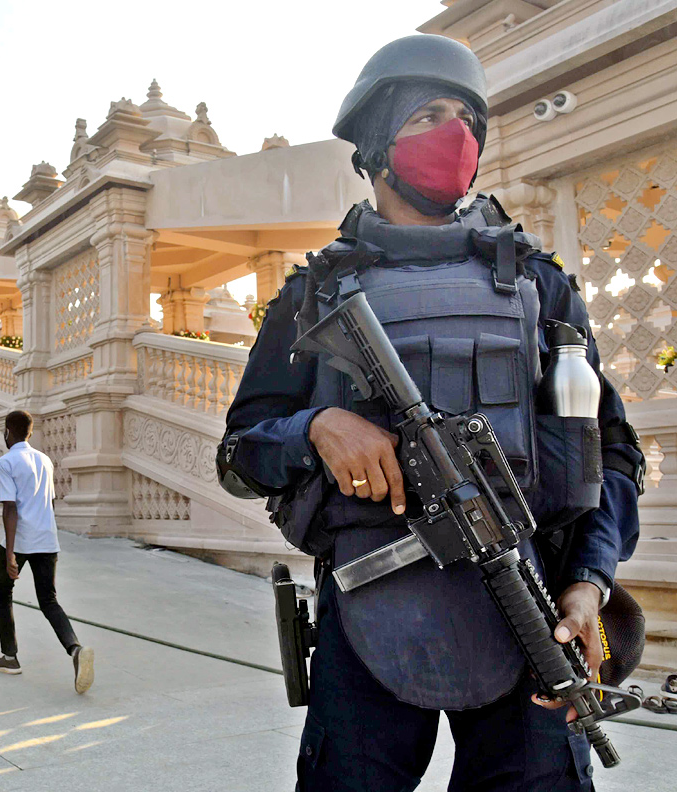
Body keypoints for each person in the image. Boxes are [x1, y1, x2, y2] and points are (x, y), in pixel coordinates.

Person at [216, 35, 644, 791]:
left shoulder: (539, 286)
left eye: (468, 119)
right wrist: (315, 429)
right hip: (370, 610)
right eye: (430, 116)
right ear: (378, 141)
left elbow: (611, 452)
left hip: (531, 611)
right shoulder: (313, 293)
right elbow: (240, 453)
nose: (458, 136)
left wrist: (589, 581)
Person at [0, 410, 93, 694]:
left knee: (3, 594)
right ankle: (75, 649)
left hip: (20, 539)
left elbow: (10, 508)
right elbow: (50, 502)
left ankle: (10, 657)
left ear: (8, 431)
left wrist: (10, 554)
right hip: (47, 538)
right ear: (30, 433)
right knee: (49, 600)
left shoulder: (6, 461)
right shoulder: (45, 460)